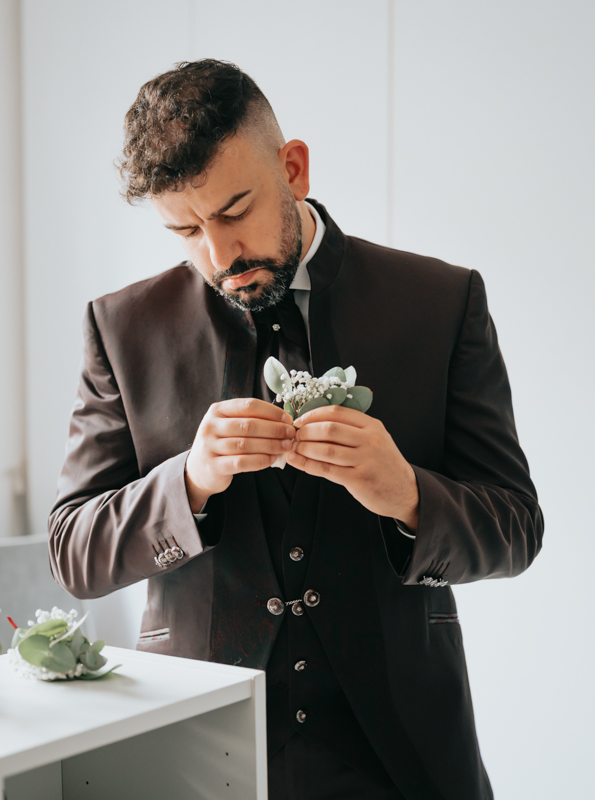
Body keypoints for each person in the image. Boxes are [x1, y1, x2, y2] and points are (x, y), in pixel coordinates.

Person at [48, 59, 543, 800]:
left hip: (403, 752)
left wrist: (409, 494)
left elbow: (516, 528)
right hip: (196, 749)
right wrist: (187, 484)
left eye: (234, 210)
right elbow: (72, 552)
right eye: (185, 230)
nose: (219, 256)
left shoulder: (441, 302)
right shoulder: (123, 329)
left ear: (294, 167)